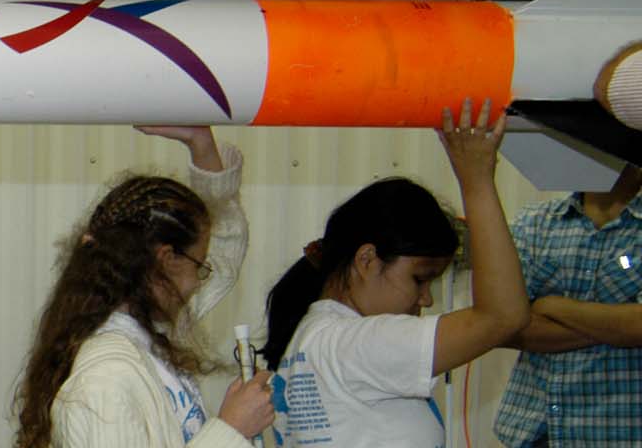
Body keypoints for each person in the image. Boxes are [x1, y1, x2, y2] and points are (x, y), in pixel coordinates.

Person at [260, 99, 528, 447]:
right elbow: (504, 315)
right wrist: (476, 180)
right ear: (367, 260)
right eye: (420, 278)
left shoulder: (318, 337)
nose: (427, 298)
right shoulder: (358, 345)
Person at [15, 126, 269, 448]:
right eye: (199, 266)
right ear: (166, 259)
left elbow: (227, 249)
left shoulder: (148, 336)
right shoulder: (105, 380)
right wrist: (232, 429)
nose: (197, 283)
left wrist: (201, 145)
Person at [493, 163, 641, 447]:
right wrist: (615, 327)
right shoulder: (534, 223)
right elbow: (503, 324)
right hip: (535, 430)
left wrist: (550, 305)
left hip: (622, 433)